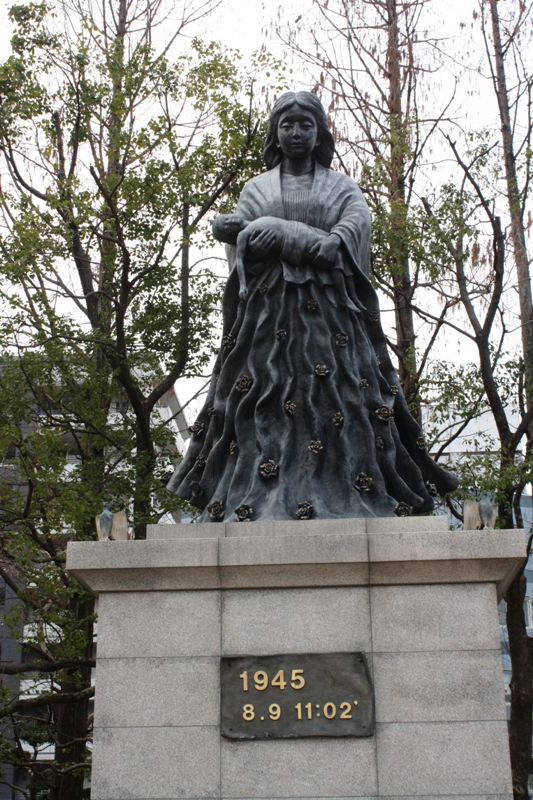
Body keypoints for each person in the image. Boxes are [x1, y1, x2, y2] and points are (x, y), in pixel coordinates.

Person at [167, 90, 458, 522]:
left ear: (320, 130)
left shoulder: (340, 186)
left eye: (306, 124)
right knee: (263, 399)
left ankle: (352, 491)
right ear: (275, 133)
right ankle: (258, 495)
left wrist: (335, 240)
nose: (297, 133)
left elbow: (356, 221)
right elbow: (241, 242)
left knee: (343, 400)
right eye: (287, 125)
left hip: (330, 313)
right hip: (268, 315)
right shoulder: (256, 189)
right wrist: (251, 239)